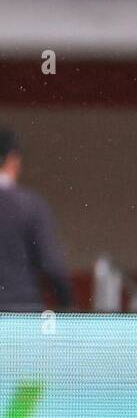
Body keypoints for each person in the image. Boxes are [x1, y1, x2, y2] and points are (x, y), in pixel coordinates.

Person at [0, 127, 72, 312]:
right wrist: (67, 307)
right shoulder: (30, 205)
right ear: (13, 159)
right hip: (21, 313)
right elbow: (52, 266)